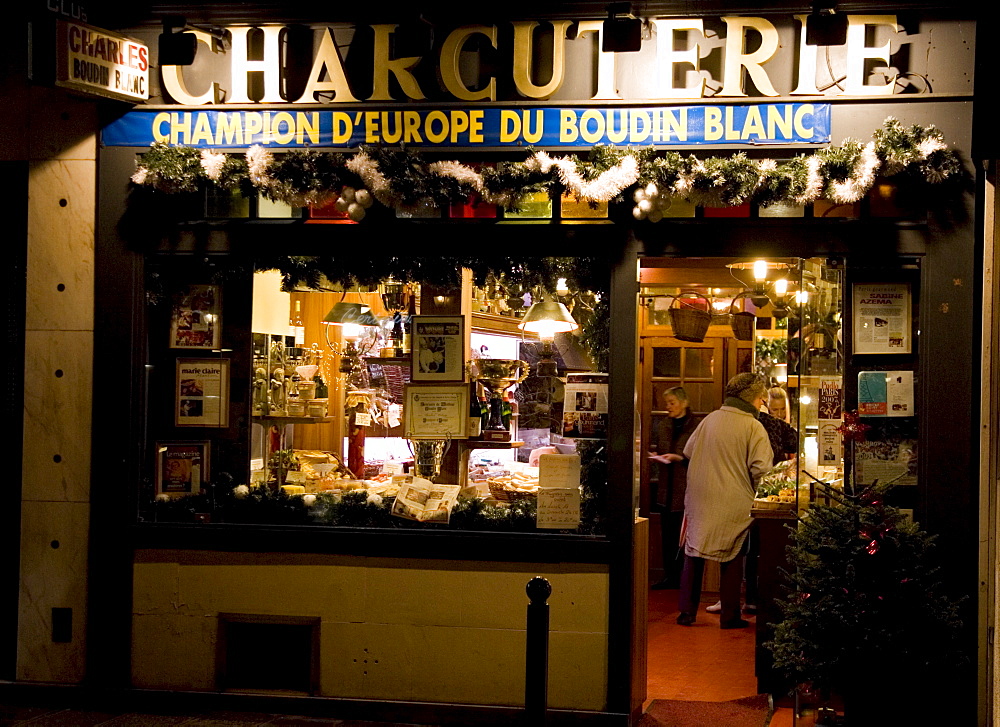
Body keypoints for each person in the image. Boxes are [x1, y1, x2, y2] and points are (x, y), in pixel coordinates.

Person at [677, 373, 773, 629]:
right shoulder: (753, 427)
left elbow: (687, 451)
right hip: (734, 501)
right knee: (732, 556)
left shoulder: (709, 420)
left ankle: (686, 613)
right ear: (753, 398)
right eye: (762, 400)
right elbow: (761, 469)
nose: (762, 405)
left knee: (694, 552)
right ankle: (730, 616)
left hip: (699, 497)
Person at [647, 387, 700, 589]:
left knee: (685, 536)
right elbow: (661, 449)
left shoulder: (695, 426)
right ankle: (670, 576)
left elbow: (701, 458)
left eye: (671, 402)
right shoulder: (664, 425)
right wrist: (657, 458)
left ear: (684, 403)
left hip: (686, 488)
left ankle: (685, 577)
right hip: (665, 488)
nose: (667, 407)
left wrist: (680, 458)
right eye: (666, 403)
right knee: (667, 535)